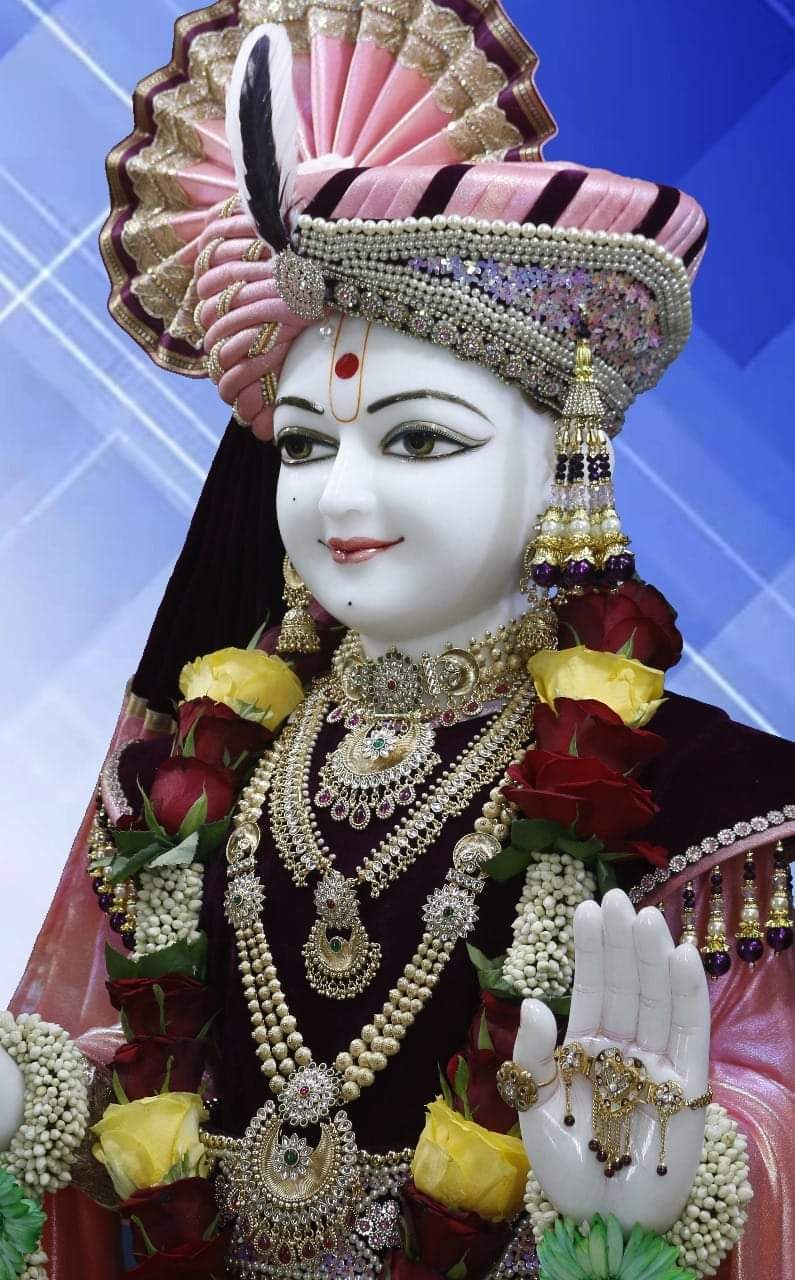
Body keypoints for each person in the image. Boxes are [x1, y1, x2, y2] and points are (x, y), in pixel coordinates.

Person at [2, 3, 793, 1278]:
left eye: (418, 438)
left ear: (568, 459)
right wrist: (32, 1100)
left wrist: (681, 1177)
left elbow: (764, 1087)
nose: (340, 496)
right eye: (307, 444)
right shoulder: (203, 771)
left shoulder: (716, 806)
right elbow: (148, 1077)